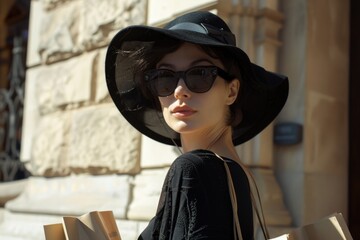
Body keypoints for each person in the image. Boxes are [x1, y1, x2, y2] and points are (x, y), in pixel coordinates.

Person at [105, 11, 288, 240]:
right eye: (165, 77)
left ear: (231, 91)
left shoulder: (194, 168)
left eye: (200, 74)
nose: (179, 90)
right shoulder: (238, 173)